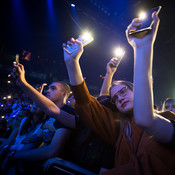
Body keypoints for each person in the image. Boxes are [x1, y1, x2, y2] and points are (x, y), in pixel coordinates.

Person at [63, 11, 175, 175]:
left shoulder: (168, 117)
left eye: (123, 91)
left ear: (137, 90)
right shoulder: (120, 128)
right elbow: (86, 104)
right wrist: (71, 63)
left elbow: (145, 119)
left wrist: (142, 47)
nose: (119, 98)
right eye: (114, 98)